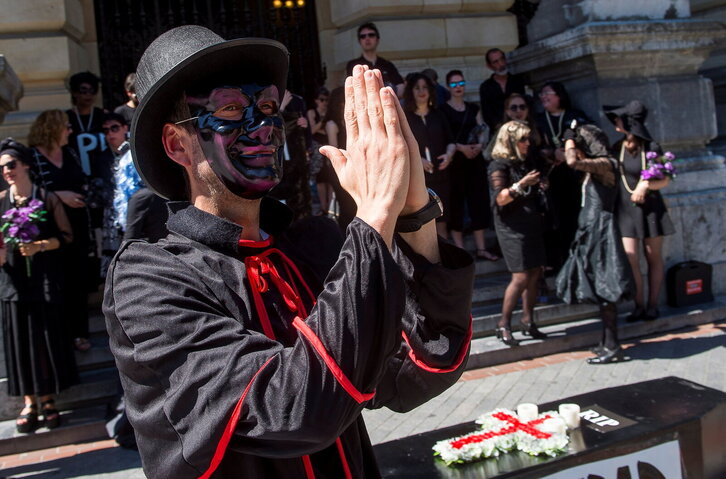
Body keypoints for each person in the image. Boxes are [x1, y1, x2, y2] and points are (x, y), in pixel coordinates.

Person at [103, 26, 474, 479]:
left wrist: (414, 213)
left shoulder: (310, 247)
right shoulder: (148, 278)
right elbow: (289, 411)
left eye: (266, 108)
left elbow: (414, 372)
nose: (262, 126)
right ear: (178, 144)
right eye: (230, 109)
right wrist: (377, 213)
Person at [0, 138, 77, 433]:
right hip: (13, 282)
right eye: (2, 168)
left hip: (43, 278)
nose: (6, 171)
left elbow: (66, 237)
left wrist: (39, 246)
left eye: (11, 165)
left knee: (43, 340)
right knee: (19, 341)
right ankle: (29, 401)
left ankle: (47, 399)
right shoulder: (0, 201)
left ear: (25, 165)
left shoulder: (46, 198)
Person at [555, 124, 635, 364]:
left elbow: (571, 161)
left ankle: (612, 345)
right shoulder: (595, 167)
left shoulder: (606, 164)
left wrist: (570, 141)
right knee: (600, 288)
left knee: (605, 287)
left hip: (602, 232)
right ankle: (607, 342)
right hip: (591, 231)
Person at [604, 101, 675, 321]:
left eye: (619, 118)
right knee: (631, 257)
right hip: (625, 208)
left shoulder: (651, 147)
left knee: (653, 256)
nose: (615, 121)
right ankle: (639, 305)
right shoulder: (617, 147)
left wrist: (646, 185)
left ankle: (652, 305)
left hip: (651, 208)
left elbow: (666, 178)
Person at [28, 110, 91, 352]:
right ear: (52, 128)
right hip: (50, 230)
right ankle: (60, 335)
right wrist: (57, 196)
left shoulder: (70, 153)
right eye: (66, 126)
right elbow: (29, 194)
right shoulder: (32, 157)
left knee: (78, 281)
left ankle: (80, 333)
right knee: (56, 280)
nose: (70, 131)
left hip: (77, 225)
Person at [488, 121, 548, 346]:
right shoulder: (498, 165)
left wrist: (540, 184)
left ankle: (527, 320)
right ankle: (503, 323)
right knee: (521, 276)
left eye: (528, 138)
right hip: (511, 227)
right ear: (510, 141)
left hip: (531, 222)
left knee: (535, 272)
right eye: (522, 139)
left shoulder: (526, 161)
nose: (527, 143)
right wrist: (522, 184)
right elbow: (500, 198)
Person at [440, 69, 498, 260]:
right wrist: (461, 148)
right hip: (455, 162)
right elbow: (444, 136)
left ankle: (481, 248)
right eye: (454, 84)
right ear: (448, 87)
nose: (458, 87)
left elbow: (482, 129)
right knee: (456, 203)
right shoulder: (443, 110)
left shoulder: (473, 108)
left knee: (478, 201)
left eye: (461, 83)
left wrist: (479, 145)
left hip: (475, 160)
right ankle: (460, 249)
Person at [536, 81, 589, 274]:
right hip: (552, 178)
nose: (543, 97)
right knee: (553, 221)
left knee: (574, 219)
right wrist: (551, 154)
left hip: (574, 178)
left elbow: (589, 141)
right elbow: (534, 148)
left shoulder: (575, 116)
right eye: (541, 94)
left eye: (547, 93)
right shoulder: (538, 120)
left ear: (559, 95)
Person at [403, 73, 456, 239]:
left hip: (442, 175)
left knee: (442, 220)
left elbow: (451, 141)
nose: (421, 91)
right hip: (419, 178)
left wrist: (449, 155)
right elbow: (401, 145)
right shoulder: (406, 117)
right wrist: (418, 160)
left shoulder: (438, 114)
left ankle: (443, 252)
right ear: (411, 91)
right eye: (417, 88)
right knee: (424, 222)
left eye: (425, 87)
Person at [267, 90, 312, 221]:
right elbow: (268, 130)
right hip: (274, 164)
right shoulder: (262, 100)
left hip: (295, 161)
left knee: (297, 195)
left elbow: (306, 134)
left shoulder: (297, 101)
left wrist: (304, 124)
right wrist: (280, 110)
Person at [323, 86, 357, 229]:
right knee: (347, 208)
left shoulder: (352, 121)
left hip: (355, 168)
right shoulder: (332, 124)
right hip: (340, 170)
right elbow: (335, 152)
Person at [346, 22, 405, 97]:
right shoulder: (353, 65)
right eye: (363, 36)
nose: (367, 38)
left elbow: (400, 87)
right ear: (359, 41)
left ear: (377, 39)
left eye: (371, 35)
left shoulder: (387, 64)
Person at [66, 71, 108, 175]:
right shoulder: (67, 118)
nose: (88, 95)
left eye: (92, 91)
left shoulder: (103, 115)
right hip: (76, 172)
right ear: (75, 93)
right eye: (83, 91)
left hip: (101, 171)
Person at [479, 48, 526, 131]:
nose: (501, 64)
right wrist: (500, 128)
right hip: (498, 130)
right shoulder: (486, 87)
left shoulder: (517, 81)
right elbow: (487, 113)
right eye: (495, 62)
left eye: (502, 59)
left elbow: (524, 105)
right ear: (489, 66)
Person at [306, 87, 334, 215]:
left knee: (330, 178)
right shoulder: (312, 113)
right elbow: (311, 131)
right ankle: (323, 208)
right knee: (320, 179)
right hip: (317, 150)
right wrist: (323, 122)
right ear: (316, 100)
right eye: (322, 100)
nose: (324, 103)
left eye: (327, 100)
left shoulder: (330, 112)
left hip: (329, 146)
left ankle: (329, 208)